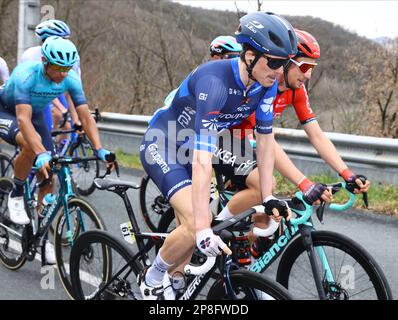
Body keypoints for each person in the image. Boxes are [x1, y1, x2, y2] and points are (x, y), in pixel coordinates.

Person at [139, 11, 298, 300]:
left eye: (285, 63)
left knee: (204, 219)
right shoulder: (214, 82)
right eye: (274, 62)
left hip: (197, 147)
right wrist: (201, 229)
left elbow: (264, 140)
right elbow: (202, 160)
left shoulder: (267, 84)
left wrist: (267, 195)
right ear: (249, 56)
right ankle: (153, 275)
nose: (279, 70)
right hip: (164, 143)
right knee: (194, 224)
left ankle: (176, 277)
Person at [216, 29, 370, 254]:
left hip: (242, 142)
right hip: (219, 138)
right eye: (305, 67)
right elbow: (267, 142)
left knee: (267, 220)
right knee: (264, 186)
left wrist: (347, 174)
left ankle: (250, 277)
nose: (308, 75)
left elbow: (316, 134)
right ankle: (215, 228)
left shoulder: (296, 90)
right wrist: (305, 184)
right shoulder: (260, 86)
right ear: (285, 62)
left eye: (312, 69)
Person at [0, 36, 113, 264]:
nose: (63, 73)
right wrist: (40, 151)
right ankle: (17, 192)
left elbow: (84, 115)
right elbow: (23, 119)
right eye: (58, 67)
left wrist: (100, 149)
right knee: (30, 147)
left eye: (67, 68)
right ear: (45, 61)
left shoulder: (70, 77)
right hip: (8, 110)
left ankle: (41, 238)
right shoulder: (26, 75)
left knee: (48, 175)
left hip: (37, 112)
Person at [21, 19, 81, 132]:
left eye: (66, 39)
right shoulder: (31, 56)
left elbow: (73, 90)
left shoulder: (72, 56)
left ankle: (61, 145)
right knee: (47, 129)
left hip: (55, 91)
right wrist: (62, 108)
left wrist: (77, 117)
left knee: (69, 127)